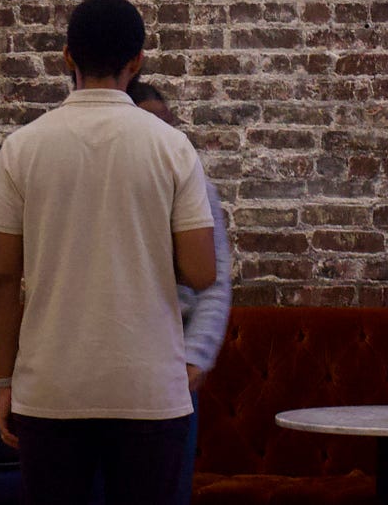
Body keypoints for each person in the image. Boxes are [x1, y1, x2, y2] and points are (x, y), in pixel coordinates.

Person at [0, 0, 216, 505]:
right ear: (137, 62)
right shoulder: (171, 147)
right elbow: (202, 272)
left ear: (67, 57)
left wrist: (5, 379)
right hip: (149, 390)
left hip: (50, 391)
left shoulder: (22, 148)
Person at [126, 77, 233, 505]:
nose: (165, 136)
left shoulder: (192, 183)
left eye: (168, 124)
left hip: (168, 371)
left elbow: (214, 281)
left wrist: (196, 356)